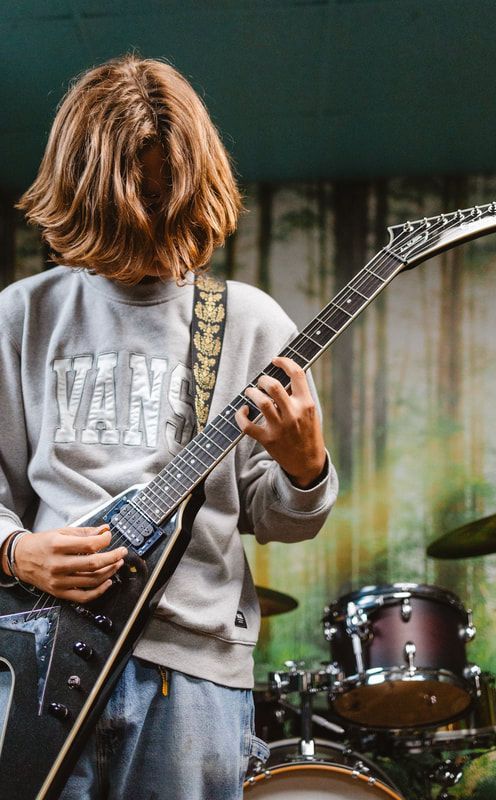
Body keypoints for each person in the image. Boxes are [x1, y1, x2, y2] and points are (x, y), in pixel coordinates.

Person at [0, 54, 338, 799]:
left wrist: (303, 465)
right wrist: (17, 550)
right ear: (81, 193)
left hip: (194, 676)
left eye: (165, 194)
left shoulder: (249, 322)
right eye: (132, 198)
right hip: (35, 663)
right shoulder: (22, 316)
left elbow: (283, 520)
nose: (152, 217)